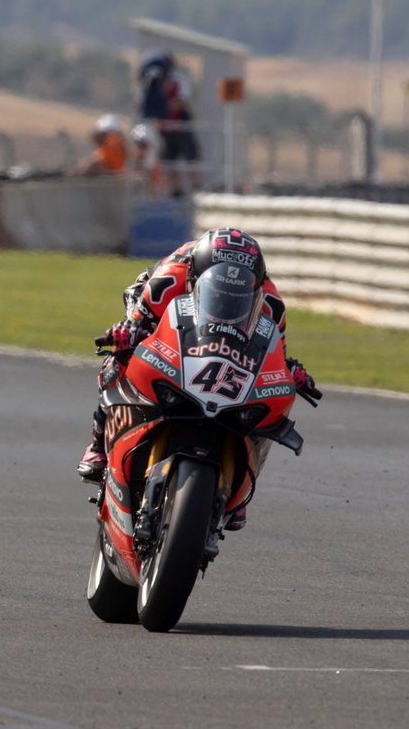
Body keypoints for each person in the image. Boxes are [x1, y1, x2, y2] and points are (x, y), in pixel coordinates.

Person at [75, 227, 319, 528]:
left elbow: (273, 351)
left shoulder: (271, 302)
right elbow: (136, 322)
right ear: (195, 274)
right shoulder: (169, 278)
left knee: (266, 401)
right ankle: (99, 442)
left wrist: (288, 370)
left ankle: (238, 487)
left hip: (227, 347)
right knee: (119, 359)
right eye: (219, 289)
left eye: (238, 292)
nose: (227, 298)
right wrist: (128, 332)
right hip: (160, 311)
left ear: (255, 286)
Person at [139, 50, 201, 195]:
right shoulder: (150, 82)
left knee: (190, 158)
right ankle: (176, 192)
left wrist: (161, 104)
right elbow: (144, 105)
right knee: (169, 161)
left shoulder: (179, 80)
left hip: (180, 125)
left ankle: (197, 188)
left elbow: (181, 103)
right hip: (164, 128)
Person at [127, 121, 166, 196]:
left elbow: (158, 182)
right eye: (138, 145)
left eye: (143, 145)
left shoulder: (152, 157)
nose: (141, 149)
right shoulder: (133, 155)